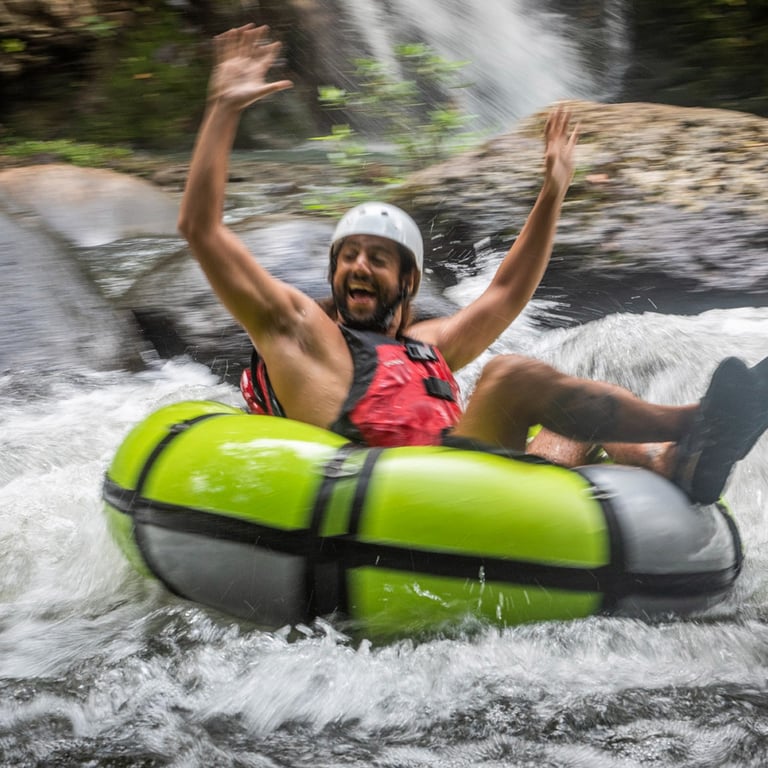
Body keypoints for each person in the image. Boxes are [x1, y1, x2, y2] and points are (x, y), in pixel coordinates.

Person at [178, 24, 768, 505]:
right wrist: (222, 110)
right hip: (394, 500)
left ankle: (672, 463)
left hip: (467, 487)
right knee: (511, 374)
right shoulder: (299, 332)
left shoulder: (426, 345)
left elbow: (507, 291)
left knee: (572, 417)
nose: (358, 267)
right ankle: (695, 420)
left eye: (378, 259)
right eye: (348, 256)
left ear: (408, 283)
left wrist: (553, 191)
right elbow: (202, 231)